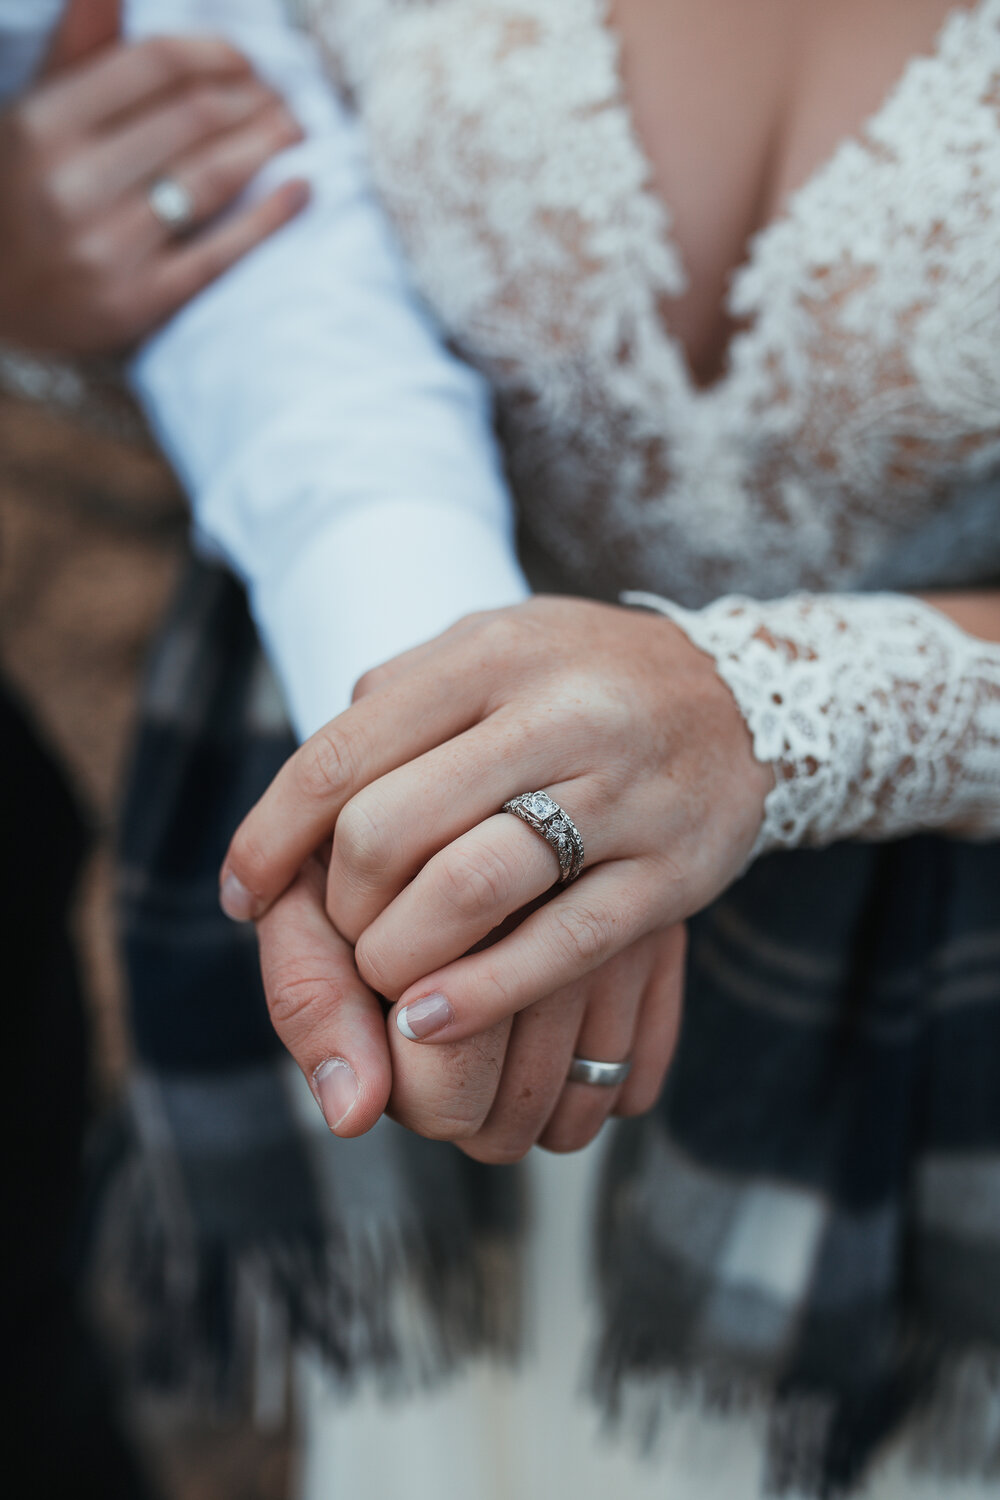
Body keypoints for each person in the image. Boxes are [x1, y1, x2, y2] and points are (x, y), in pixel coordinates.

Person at [215, 2, 1000, 1497]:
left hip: (932, 1014)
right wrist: (52, 283)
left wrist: (776, 708)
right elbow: (251, 258)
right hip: (421, 908)